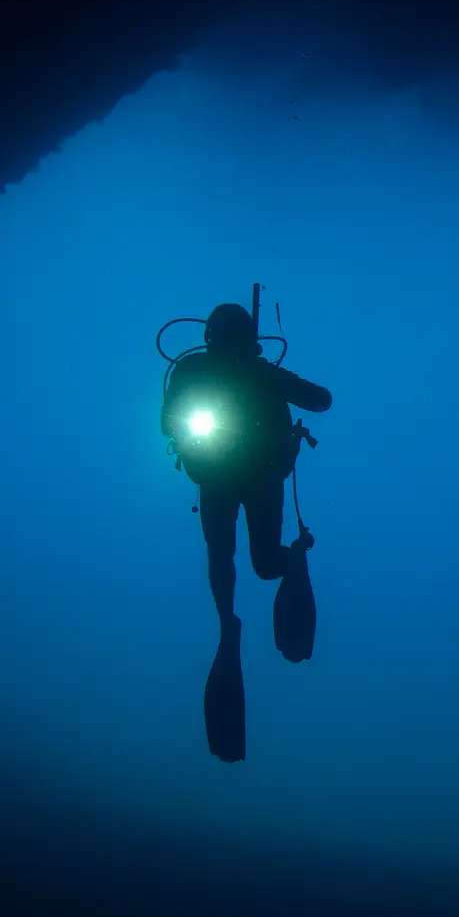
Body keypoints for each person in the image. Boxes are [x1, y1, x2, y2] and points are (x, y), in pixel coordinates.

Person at [162, 303, 332, 760]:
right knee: (223, 556)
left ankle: (290, 561)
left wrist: (278, 384)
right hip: (223, 476)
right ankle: (228, 621)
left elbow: (321, 399)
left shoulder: (259, 374)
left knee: (259, 563)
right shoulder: (194, 371)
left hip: (256, 479)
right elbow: (166, 420)